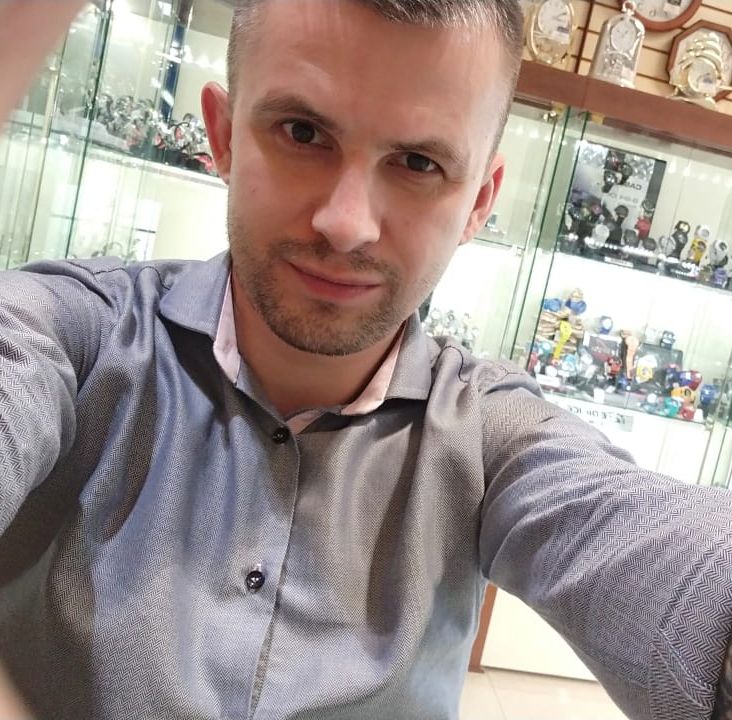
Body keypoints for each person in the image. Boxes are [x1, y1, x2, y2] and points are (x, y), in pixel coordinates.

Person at [0, 1, 731, 719]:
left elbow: (650, 546)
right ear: (221, 136)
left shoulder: (491, 438)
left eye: (417, 162)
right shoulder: (75, 335)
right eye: (302, 132)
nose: (346, 225)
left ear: (480, 202)